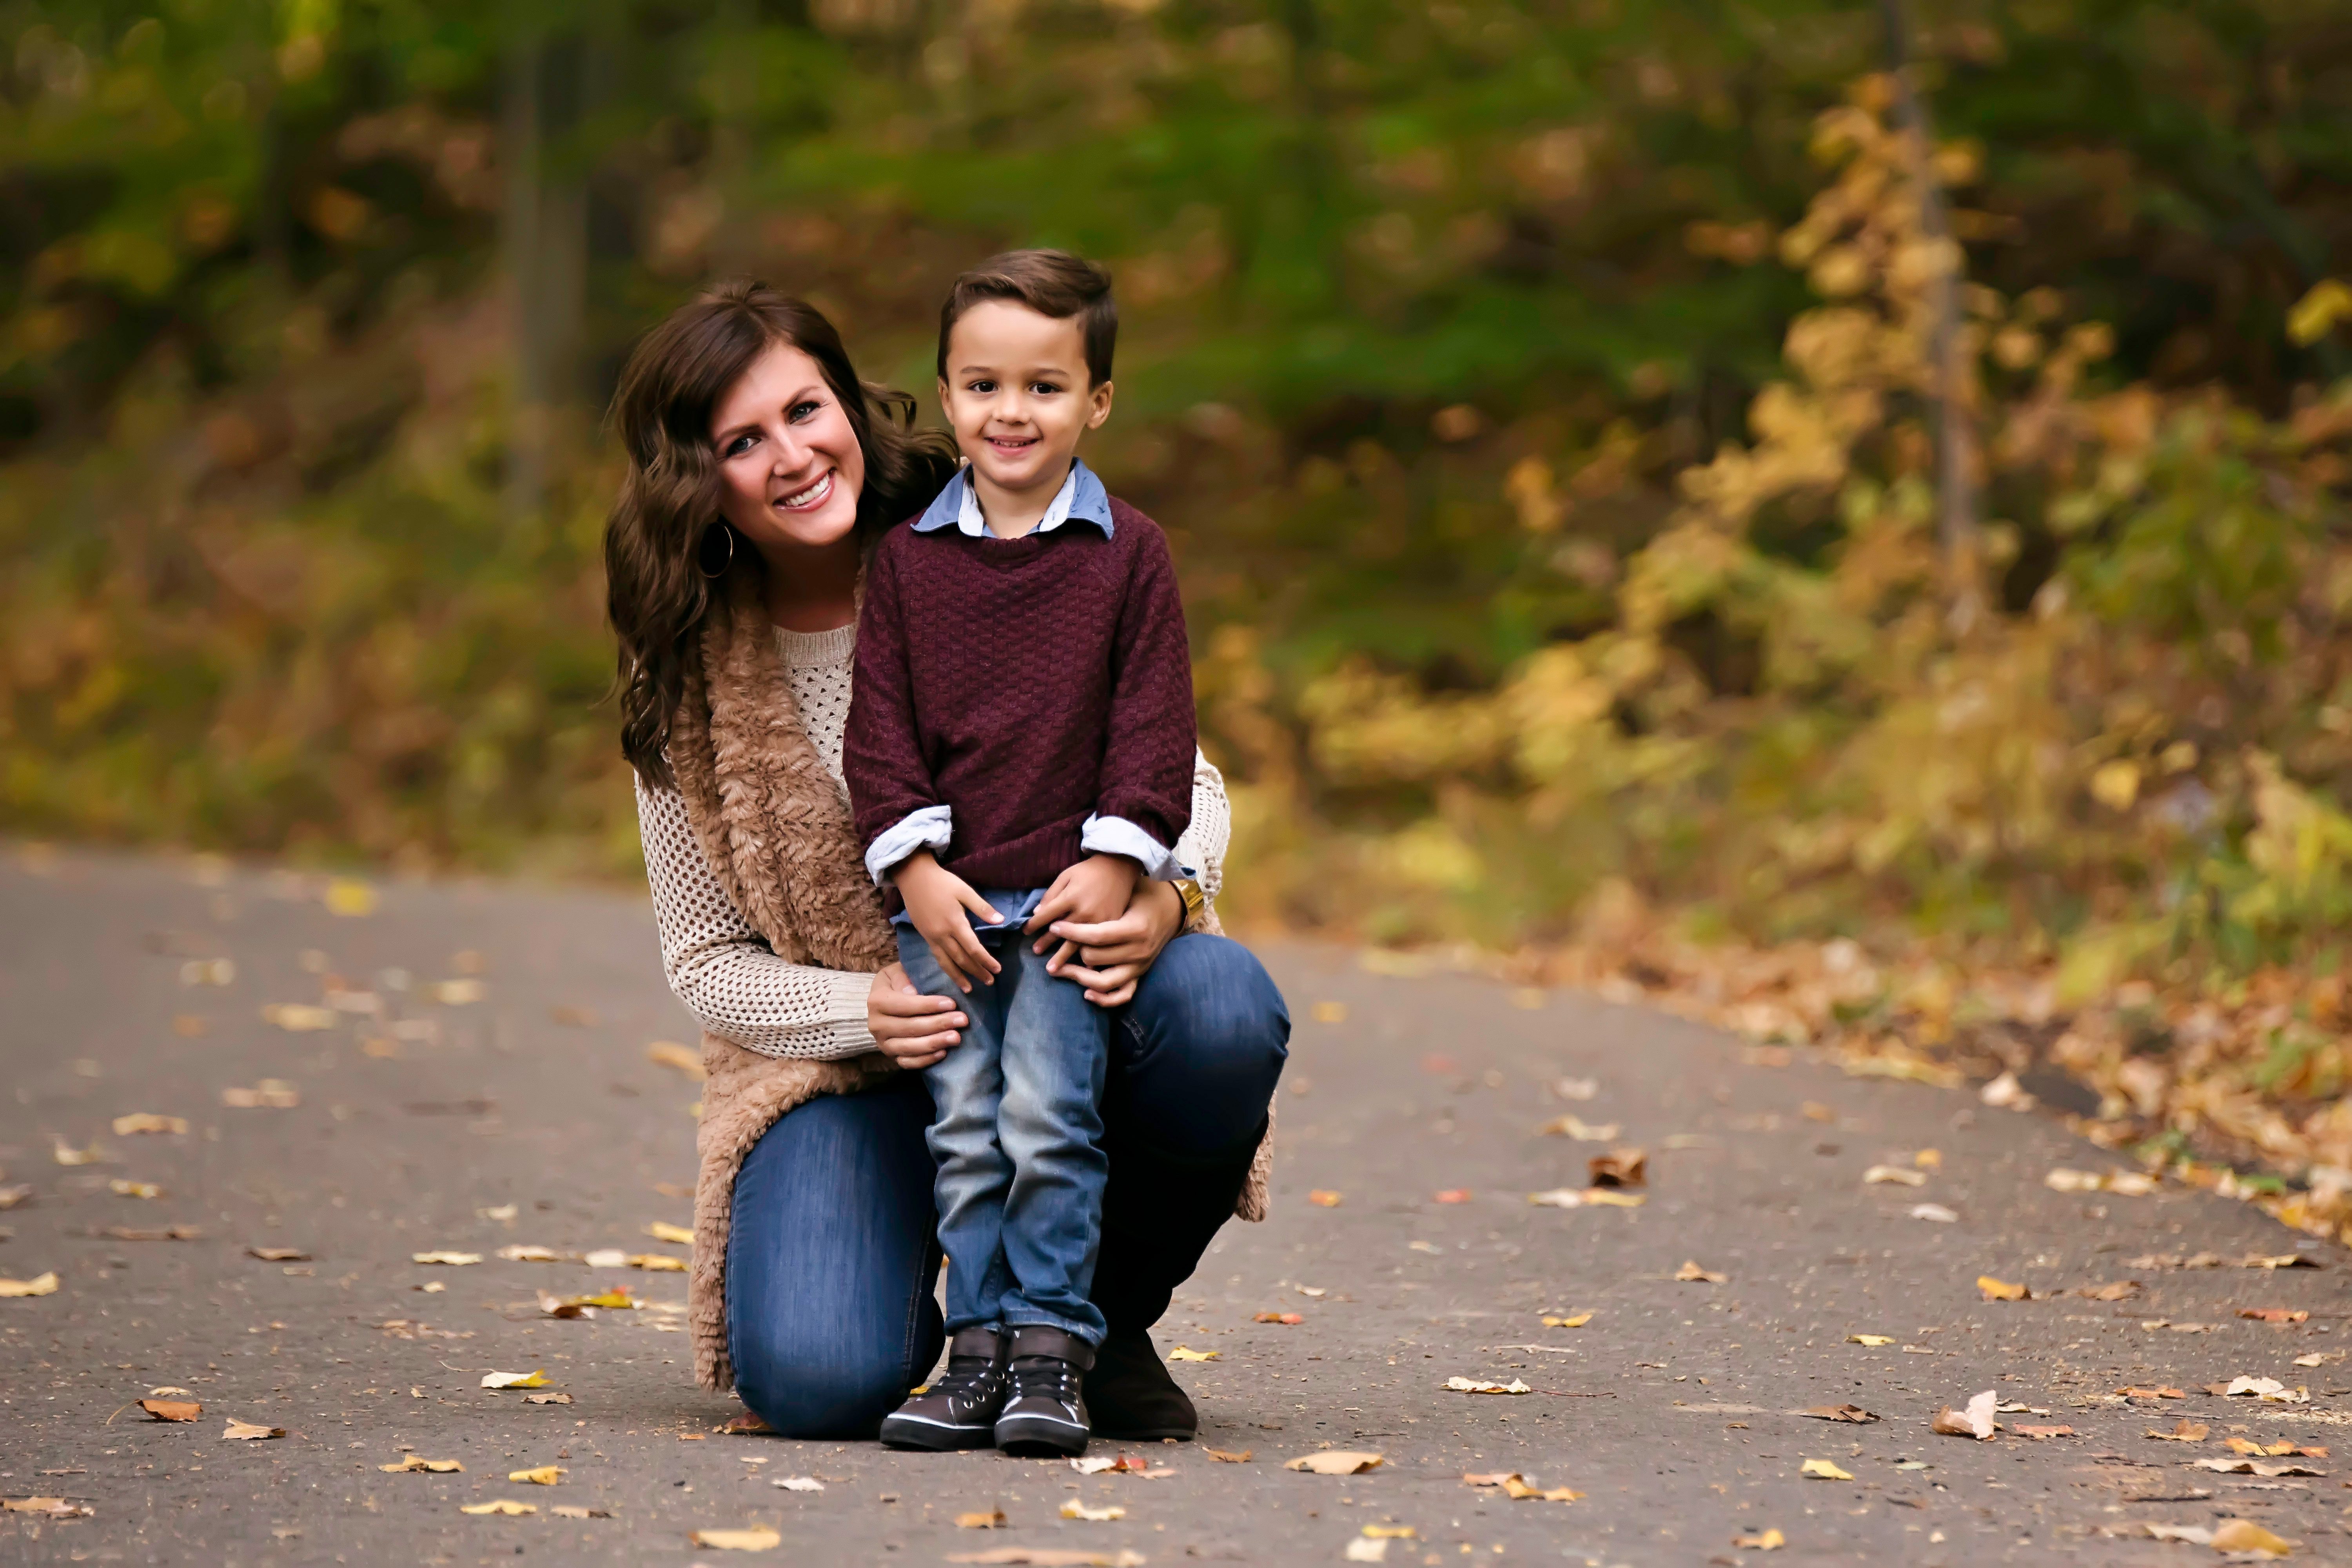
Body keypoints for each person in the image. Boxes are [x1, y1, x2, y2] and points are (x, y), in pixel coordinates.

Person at [602, 278, 1290, 1445]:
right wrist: (865, 1005)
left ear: (850, 406)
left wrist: (1167, 896)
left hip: (1058, 987)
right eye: (742, 441)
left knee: (1221, 1009)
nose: (793, 456)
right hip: (861, 1071)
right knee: (820, 1379)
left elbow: (1188, 778)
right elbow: (704, 959)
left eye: (805, 411)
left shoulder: (994, 534)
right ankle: (946, 1322)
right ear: (697, 479)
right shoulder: (690, 682)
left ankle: (1080, 1327)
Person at [845, 251, 1201, 1456]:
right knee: (964, 1121)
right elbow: (877, 732)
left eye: (1046, 387)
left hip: (1062, 901)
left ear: (1098, 400)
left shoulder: (1129, 556)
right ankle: (977, 1352)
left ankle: (1053, 1347)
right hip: (945, 905)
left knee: (1050, 1115)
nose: (1013, 412)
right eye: (984, 385)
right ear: (945, 396)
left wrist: (1121, 861)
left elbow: (1157, 725)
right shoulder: (908, 564)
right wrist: (914, 871)